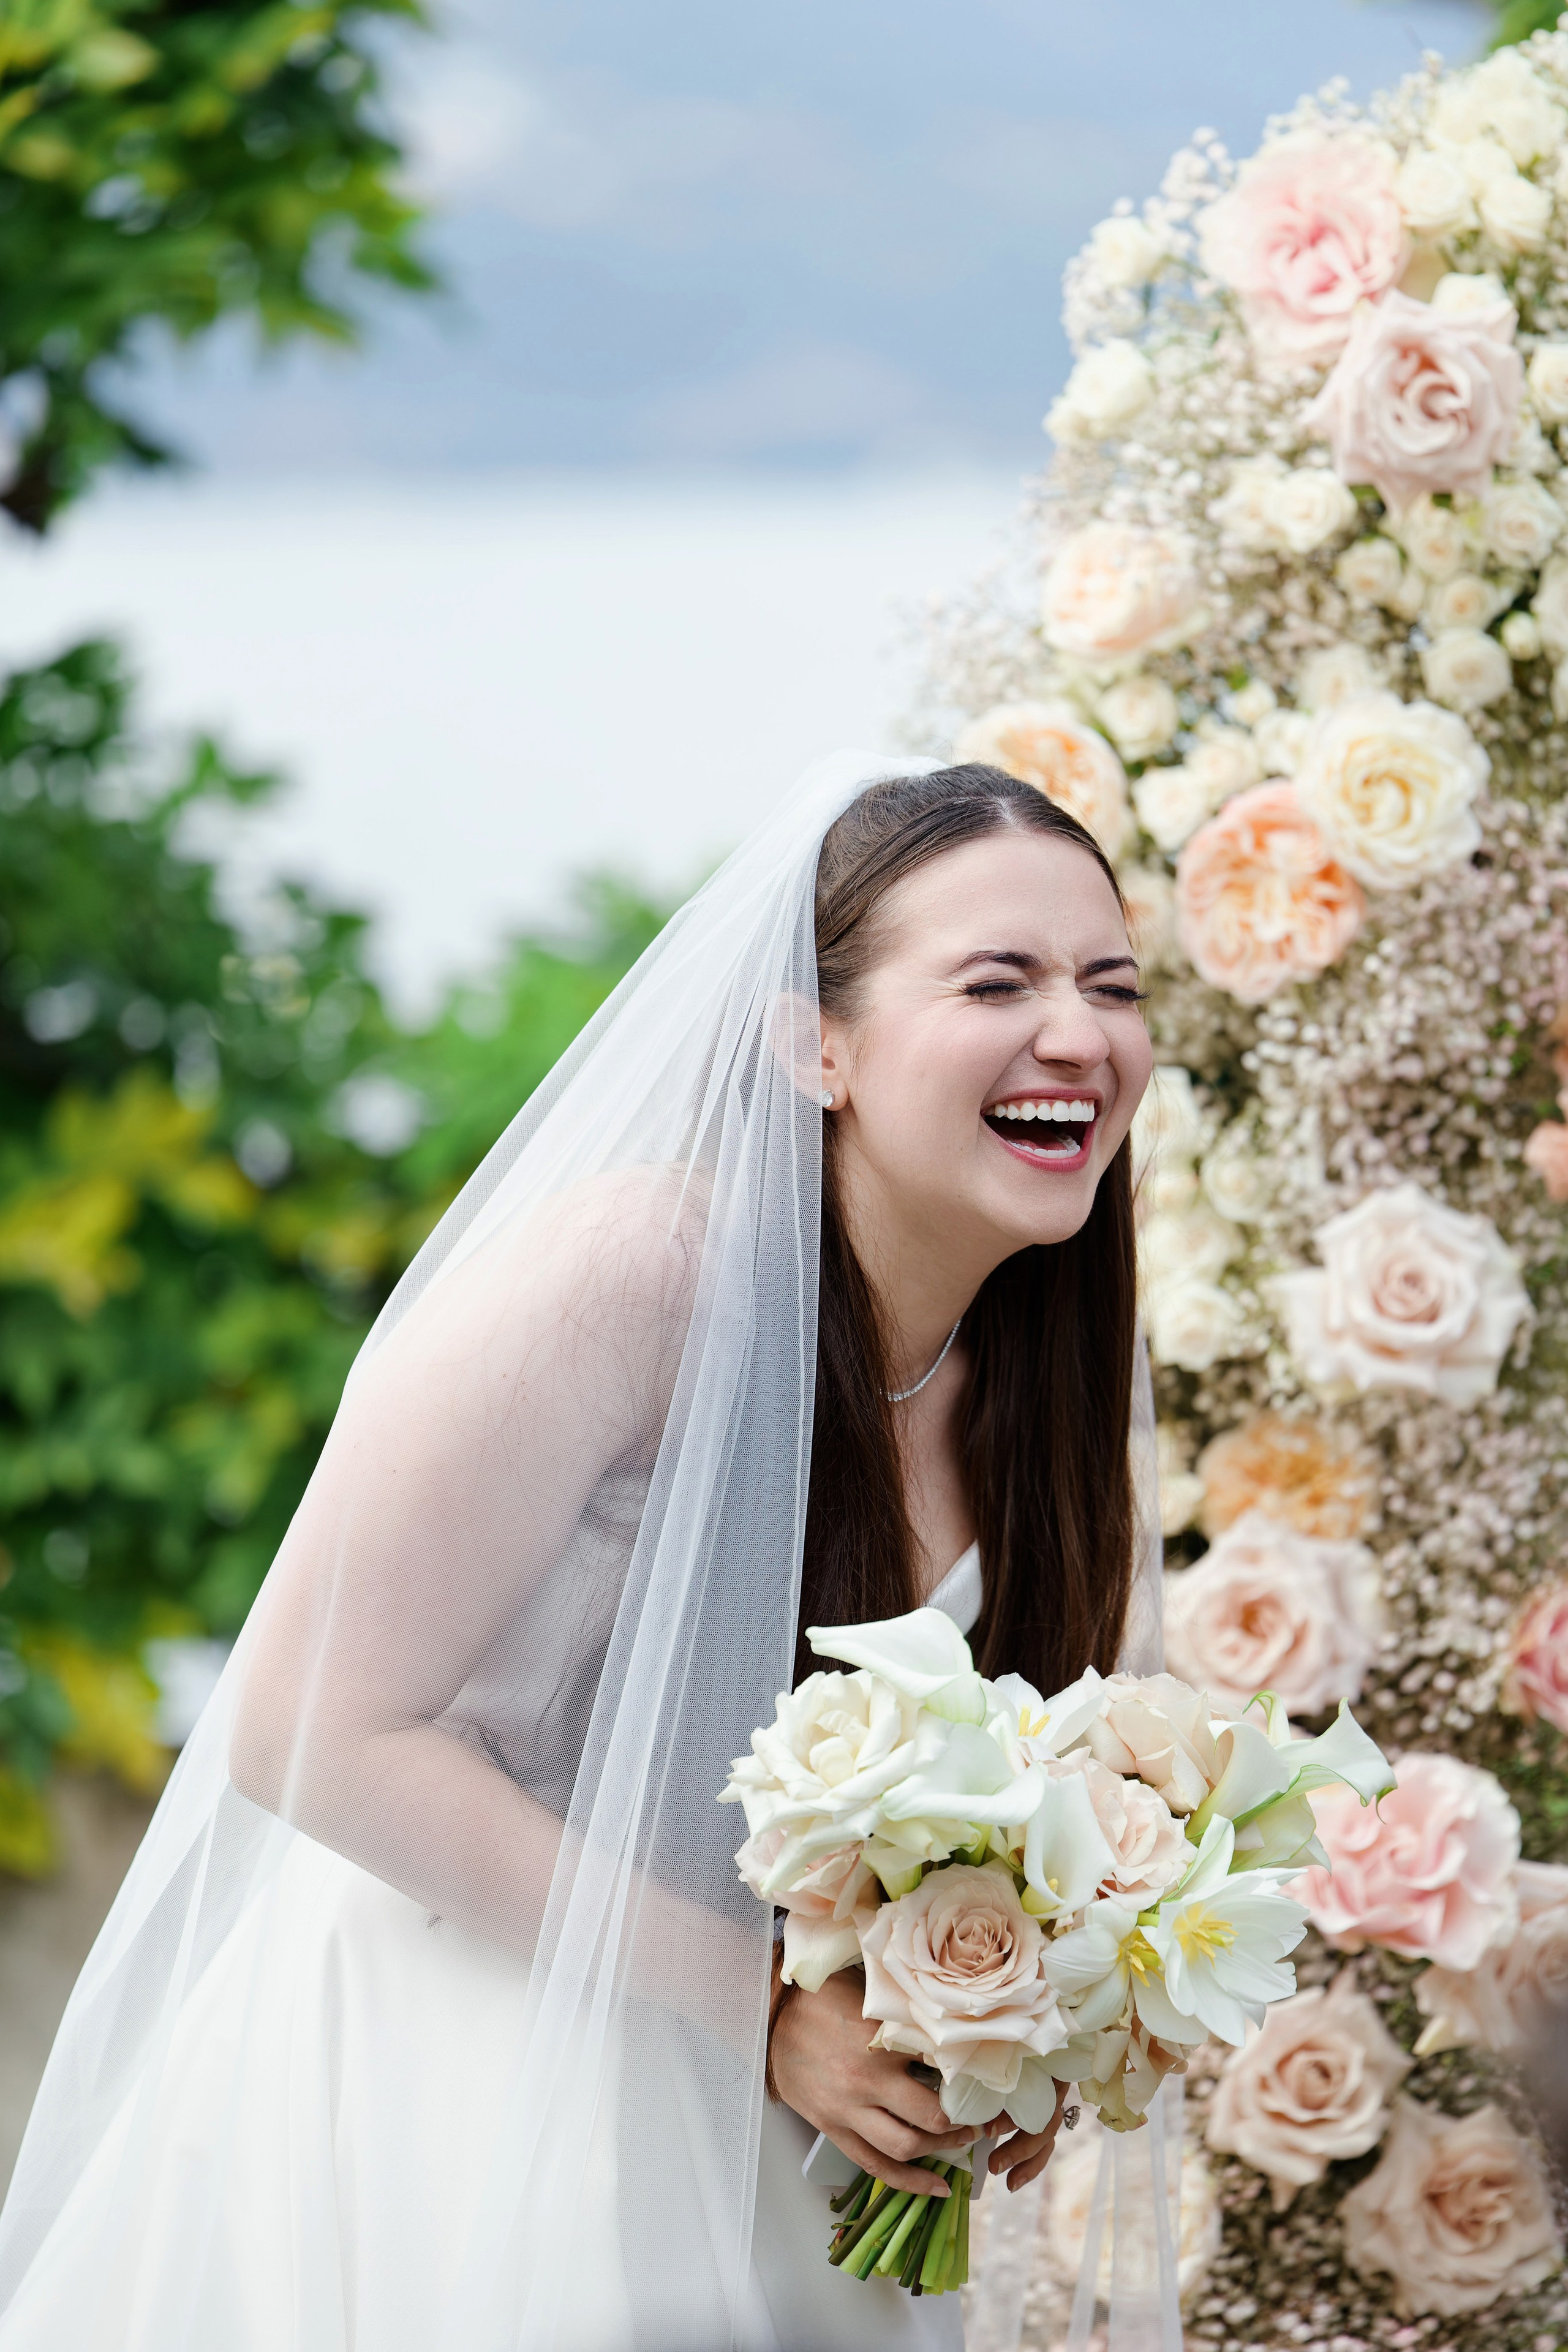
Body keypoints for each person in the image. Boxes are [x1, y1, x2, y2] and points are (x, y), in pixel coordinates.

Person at [0, 756, 1161, 2352]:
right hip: (467, 2092)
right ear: (812, 1042)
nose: (1080, 1035)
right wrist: (760, 2003)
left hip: (769, 2146)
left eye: (1113, 984)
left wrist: (1002, 2027)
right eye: (997, 981)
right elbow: (302, 1728)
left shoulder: (1025, 1376)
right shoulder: (641, 1278)